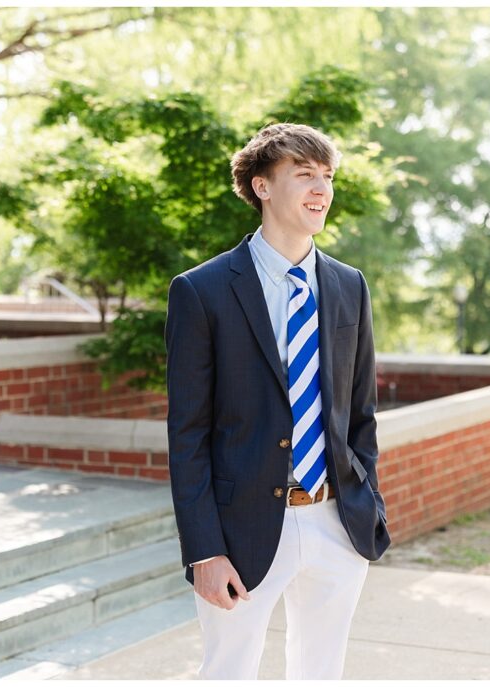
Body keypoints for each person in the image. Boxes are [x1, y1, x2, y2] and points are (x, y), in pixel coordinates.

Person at [165, 122, 391, 680]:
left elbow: (360, 413)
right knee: (229, 673)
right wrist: (203, 550)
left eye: (328, 176)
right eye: (304, 174)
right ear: (262, 187)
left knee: (320, 674)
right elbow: (187, 434)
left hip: (337, 521)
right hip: (241, 531)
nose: (321, 189)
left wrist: (367, 503)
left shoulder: (348, 285)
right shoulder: (202, 290)